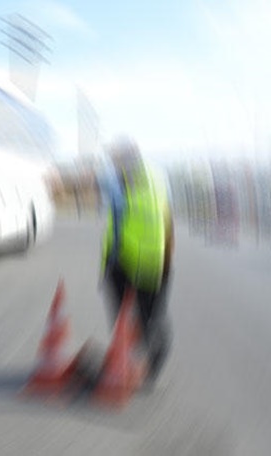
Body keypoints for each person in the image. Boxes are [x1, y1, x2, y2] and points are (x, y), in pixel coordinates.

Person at [99, 136, 174, 385]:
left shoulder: (136, 179)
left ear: (127, 159)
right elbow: (164, 218)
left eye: (115, 159)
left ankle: (140, 359)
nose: (112, 164)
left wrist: (110, 263)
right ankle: (138, 363)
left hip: (140, 262)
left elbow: (123, 223)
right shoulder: (142, 178)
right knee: (137, 317)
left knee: (137, 317)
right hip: (138, 262)